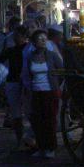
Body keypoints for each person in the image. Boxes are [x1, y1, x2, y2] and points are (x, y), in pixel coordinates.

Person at [22, 30, 64, 159]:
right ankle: (41, 147)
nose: (43, 41)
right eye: (40, 39)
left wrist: (56, 83)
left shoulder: (52, 55)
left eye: (44, 38)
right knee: (37, 120)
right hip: (36, 90)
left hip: (50, 90)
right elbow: (27, 74)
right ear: (34, 43)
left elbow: (61, 69)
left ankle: (51, 147)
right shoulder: (30, 57)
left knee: (50, 119)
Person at [0, 26, 29, 150]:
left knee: (23, 112)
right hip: (14, 81)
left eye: (17, 36)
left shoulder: (28, 49)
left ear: (23, 36)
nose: (15, 38)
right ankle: (20, 139)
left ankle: (25, 139)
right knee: (16, 113)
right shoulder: (13, 50)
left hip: (22, 82)